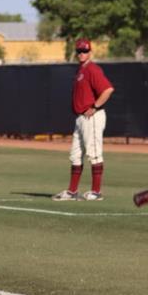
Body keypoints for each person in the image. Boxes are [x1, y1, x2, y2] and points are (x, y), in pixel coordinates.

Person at [52, 38, 114, 202]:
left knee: (94, 154)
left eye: (85, 51)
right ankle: (72, 191)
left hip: (92, 117)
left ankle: (96, 192)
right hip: (80, 118)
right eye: (79, 51)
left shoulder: (92, 69)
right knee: (75, 155)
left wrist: (94, 106)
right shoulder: (81, 70)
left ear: (90, 52)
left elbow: (108, 90)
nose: (81, 54)